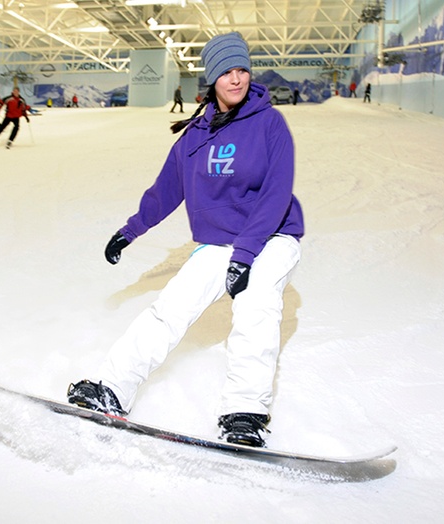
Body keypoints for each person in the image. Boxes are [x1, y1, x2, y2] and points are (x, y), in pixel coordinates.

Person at [67, 32, 304, 448]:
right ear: (211, 79)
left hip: (270, 237)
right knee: (169, 310)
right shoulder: (194, 136)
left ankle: (244, 414)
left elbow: (276, 194)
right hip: (219, 244)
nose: (237, 79)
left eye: (242, 70)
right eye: (227, 72)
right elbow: (166, 191)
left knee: (255, 310)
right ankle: (112, 388)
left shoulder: (269, 123)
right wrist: (130, 231)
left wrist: (246, 253)